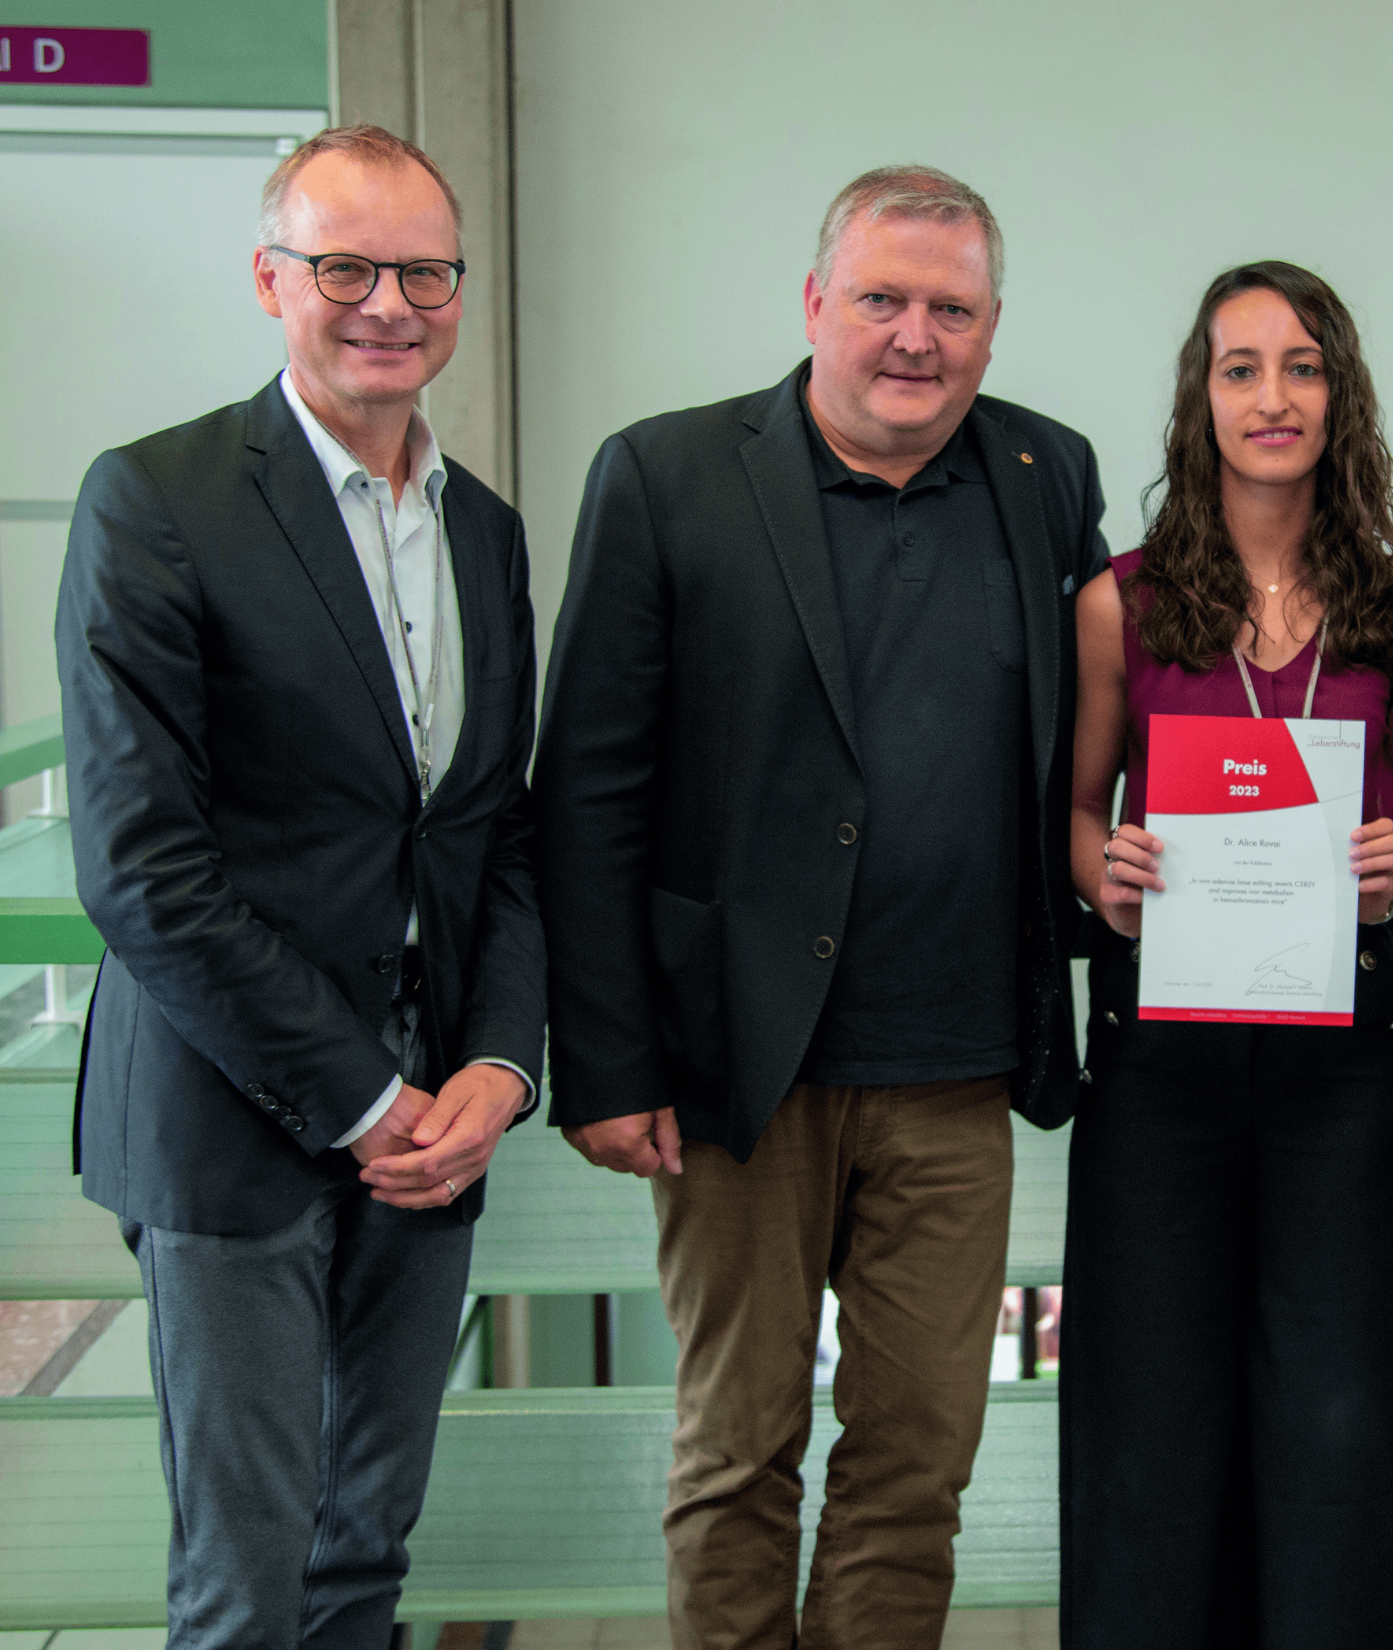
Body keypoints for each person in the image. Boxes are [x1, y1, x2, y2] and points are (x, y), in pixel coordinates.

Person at [532, 164, 1104, 1649]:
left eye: (952, 309)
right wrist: (607, 1057)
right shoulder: (666, 474)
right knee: (738, 1451)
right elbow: (587, 791)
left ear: (992, 328)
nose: (916, 337)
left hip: (959, 1065)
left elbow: (1104, 729)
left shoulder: (1051, 478)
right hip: (737, 1071)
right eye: (884, 299)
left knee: (917, 1462)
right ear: (815, 304)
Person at [55, 124, 544, 1648]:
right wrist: (359, 1094)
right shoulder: (156, 499)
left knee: (364, 1564)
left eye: (422, 271)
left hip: (434, 1107)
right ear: (272, 278)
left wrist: (497, 1066)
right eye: (345, 265)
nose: (387, 301)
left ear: (458, 293)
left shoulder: (483, 531)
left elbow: (497, 835)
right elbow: (141, 870)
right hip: (233, 1110)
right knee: (245, 1587)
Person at [1060, 260, 1393, 1648]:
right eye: (1240, 368)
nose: (1272, 397)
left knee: (1339, 1423)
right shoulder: (1125, 603)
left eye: (1302, 366)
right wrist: (1115, 875)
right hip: (1163, 1070)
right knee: (1150, 1421)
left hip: (1342, 1075)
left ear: (1341, 395)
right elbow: (1073, 822)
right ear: (1198, 398)